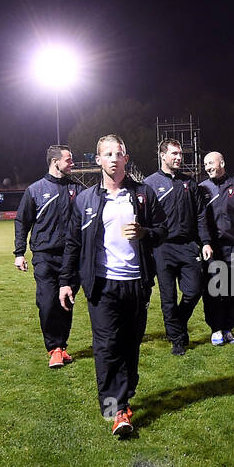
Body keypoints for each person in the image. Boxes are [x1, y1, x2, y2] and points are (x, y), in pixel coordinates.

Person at [60, 134, 167, 437]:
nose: (113, 159)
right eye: (107, 154)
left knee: (130, 345)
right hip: (102, 286)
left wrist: (144, 232)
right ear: (98, 160)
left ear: (126, 159)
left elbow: (162, 231)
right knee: (106, 347)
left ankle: (125, 393)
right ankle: (116, 409)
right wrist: (66, 282)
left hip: (136, 284)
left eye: (118, 153)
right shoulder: (85, 200)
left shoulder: (143, 194)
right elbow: (73, 243)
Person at [142, 139, 212, 355]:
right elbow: (144, 219)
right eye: (174, 153)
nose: (179, 157)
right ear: (162, 155)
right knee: (168, 298)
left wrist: (206, 241)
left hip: (188, 246)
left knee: (194, 290)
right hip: (162, 248)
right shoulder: (149, 184)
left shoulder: (189, 183)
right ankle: (177, 340)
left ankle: (178, 325)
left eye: (180, 154)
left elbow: (201, 214)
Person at [14, 144, 81, 368]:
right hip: (44, 256)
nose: (72, 163)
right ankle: (53, 348)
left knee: (66, 303)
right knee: (47, 302)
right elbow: (22, 222)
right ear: (55, 162)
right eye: (68, 160)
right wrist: (19, 253)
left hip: (71, 257)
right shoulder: (35, 190)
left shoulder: (76, 189)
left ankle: (61, 347)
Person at [200, 152, 234, 345]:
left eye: (210, 163)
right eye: (205, 164)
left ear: (221, 162)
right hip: (212, 250)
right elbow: (200, 221)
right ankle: (215, 329)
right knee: (213, 290)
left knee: (232, 290)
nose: (207, 167)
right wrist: (204, 242)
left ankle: (229, 328)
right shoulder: (202, 188)